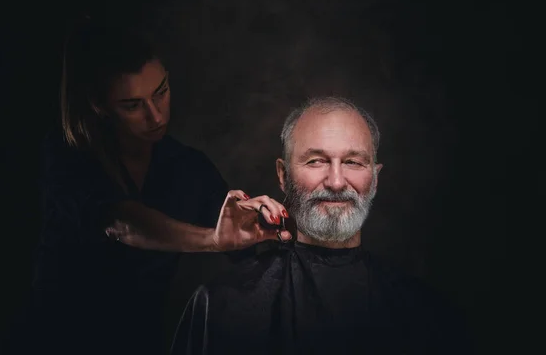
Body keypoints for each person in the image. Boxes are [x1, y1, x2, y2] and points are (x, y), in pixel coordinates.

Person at [14, 16, 291, 355]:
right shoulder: (67, 155)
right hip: (52, 342)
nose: (156, 115)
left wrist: (278, 225)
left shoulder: (189, 167)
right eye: (132, 105)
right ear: (98, 105)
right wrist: (212, 240)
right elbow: (121, 222)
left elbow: (249, 248)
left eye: (161, 92)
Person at [169, 96, 472, 355]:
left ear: (375, 178)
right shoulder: (221, 307)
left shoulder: (426, 313)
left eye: (353, 162)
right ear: (283, 175)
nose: (337, 182)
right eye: (316, 161)